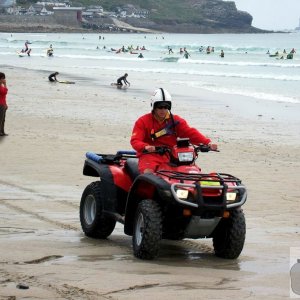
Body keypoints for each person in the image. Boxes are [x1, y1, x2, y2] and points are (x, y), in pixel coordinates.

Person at [130, 88, 218, 173]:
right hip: (150, 155)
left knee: (193, 171)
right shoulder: (143, 121)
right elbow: (135, 140)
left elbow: (190, 133)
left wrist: (208, 143)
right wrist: (145, 147)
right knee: (148, 174)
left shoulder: (175, 121)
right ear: (154, 106)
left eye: (166, 107)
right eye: (160, 107)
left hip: (173, 155)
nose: (163, 110)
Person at [0, 72, 8, 136]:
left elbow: (4, 96)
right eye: (3, 78)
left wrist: (5, 104)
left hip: (3, 104)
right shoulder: (1, 87)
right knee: (0, 119)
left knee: (3, 119)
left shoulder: (1, 86)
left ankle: (2, 131)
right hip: (0, 104)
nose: (4, 80)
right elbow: (4, 92)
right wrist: (5, 84)